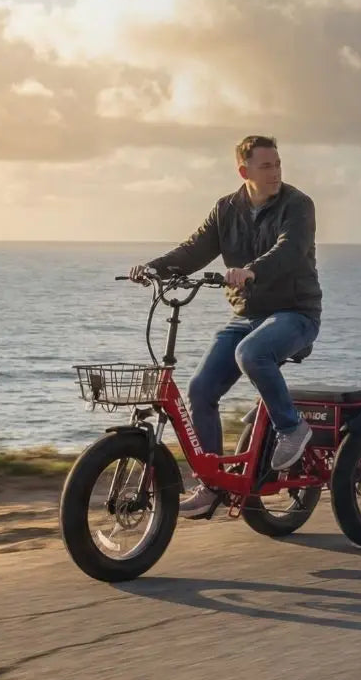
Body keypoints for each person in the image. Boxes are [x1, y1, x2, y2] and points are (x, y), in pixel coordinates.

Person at [129, 135, 322, 518]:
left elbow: (289, 250)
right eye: (266, 166)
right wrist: (153, 268)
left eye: (277, 164)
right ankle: (212, 484)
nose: (275, 172)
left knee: (250, 353)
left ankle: (292, 428)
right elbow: (194, 249)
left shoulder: (298, 205)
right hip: (247, 315)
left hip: (295, 313)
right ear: (244, 171)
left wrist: (251, 270)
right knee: (200, 389)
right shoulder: (226, 210)